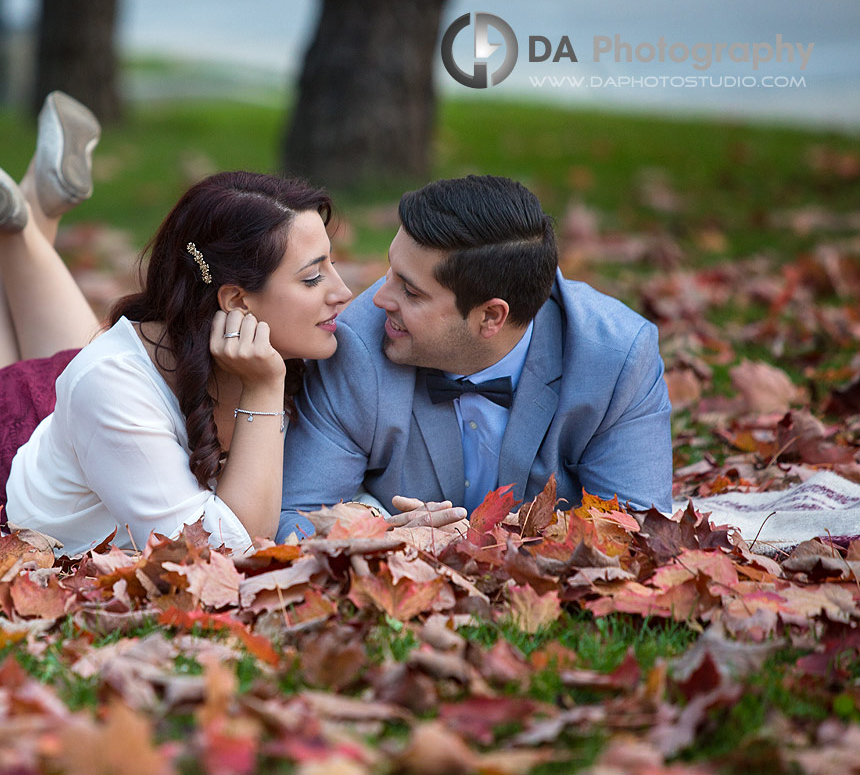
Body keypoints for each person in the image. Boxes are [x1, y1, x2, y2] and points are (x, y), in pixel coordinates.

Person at [0, 92, 353, 555]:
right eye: (312, 278)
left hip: (73, 414)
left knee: (91, 368)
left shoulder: (265, 347)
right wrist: (263, 391)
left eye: (333, 263)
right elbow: (225, 553)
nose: (342, 291)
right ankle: (25, 214)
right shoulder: (119, 387)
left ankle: (27, 211)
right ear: (236, 301)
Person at [277, 174, 673, 542]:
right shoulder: (356, 347)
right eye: (390, 271)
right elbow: (297, 515)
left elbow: (634, 533)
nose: (379, 299)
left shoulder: (616, 358)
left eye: (411, 292)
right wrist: (383, 536)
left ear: (490, 317)